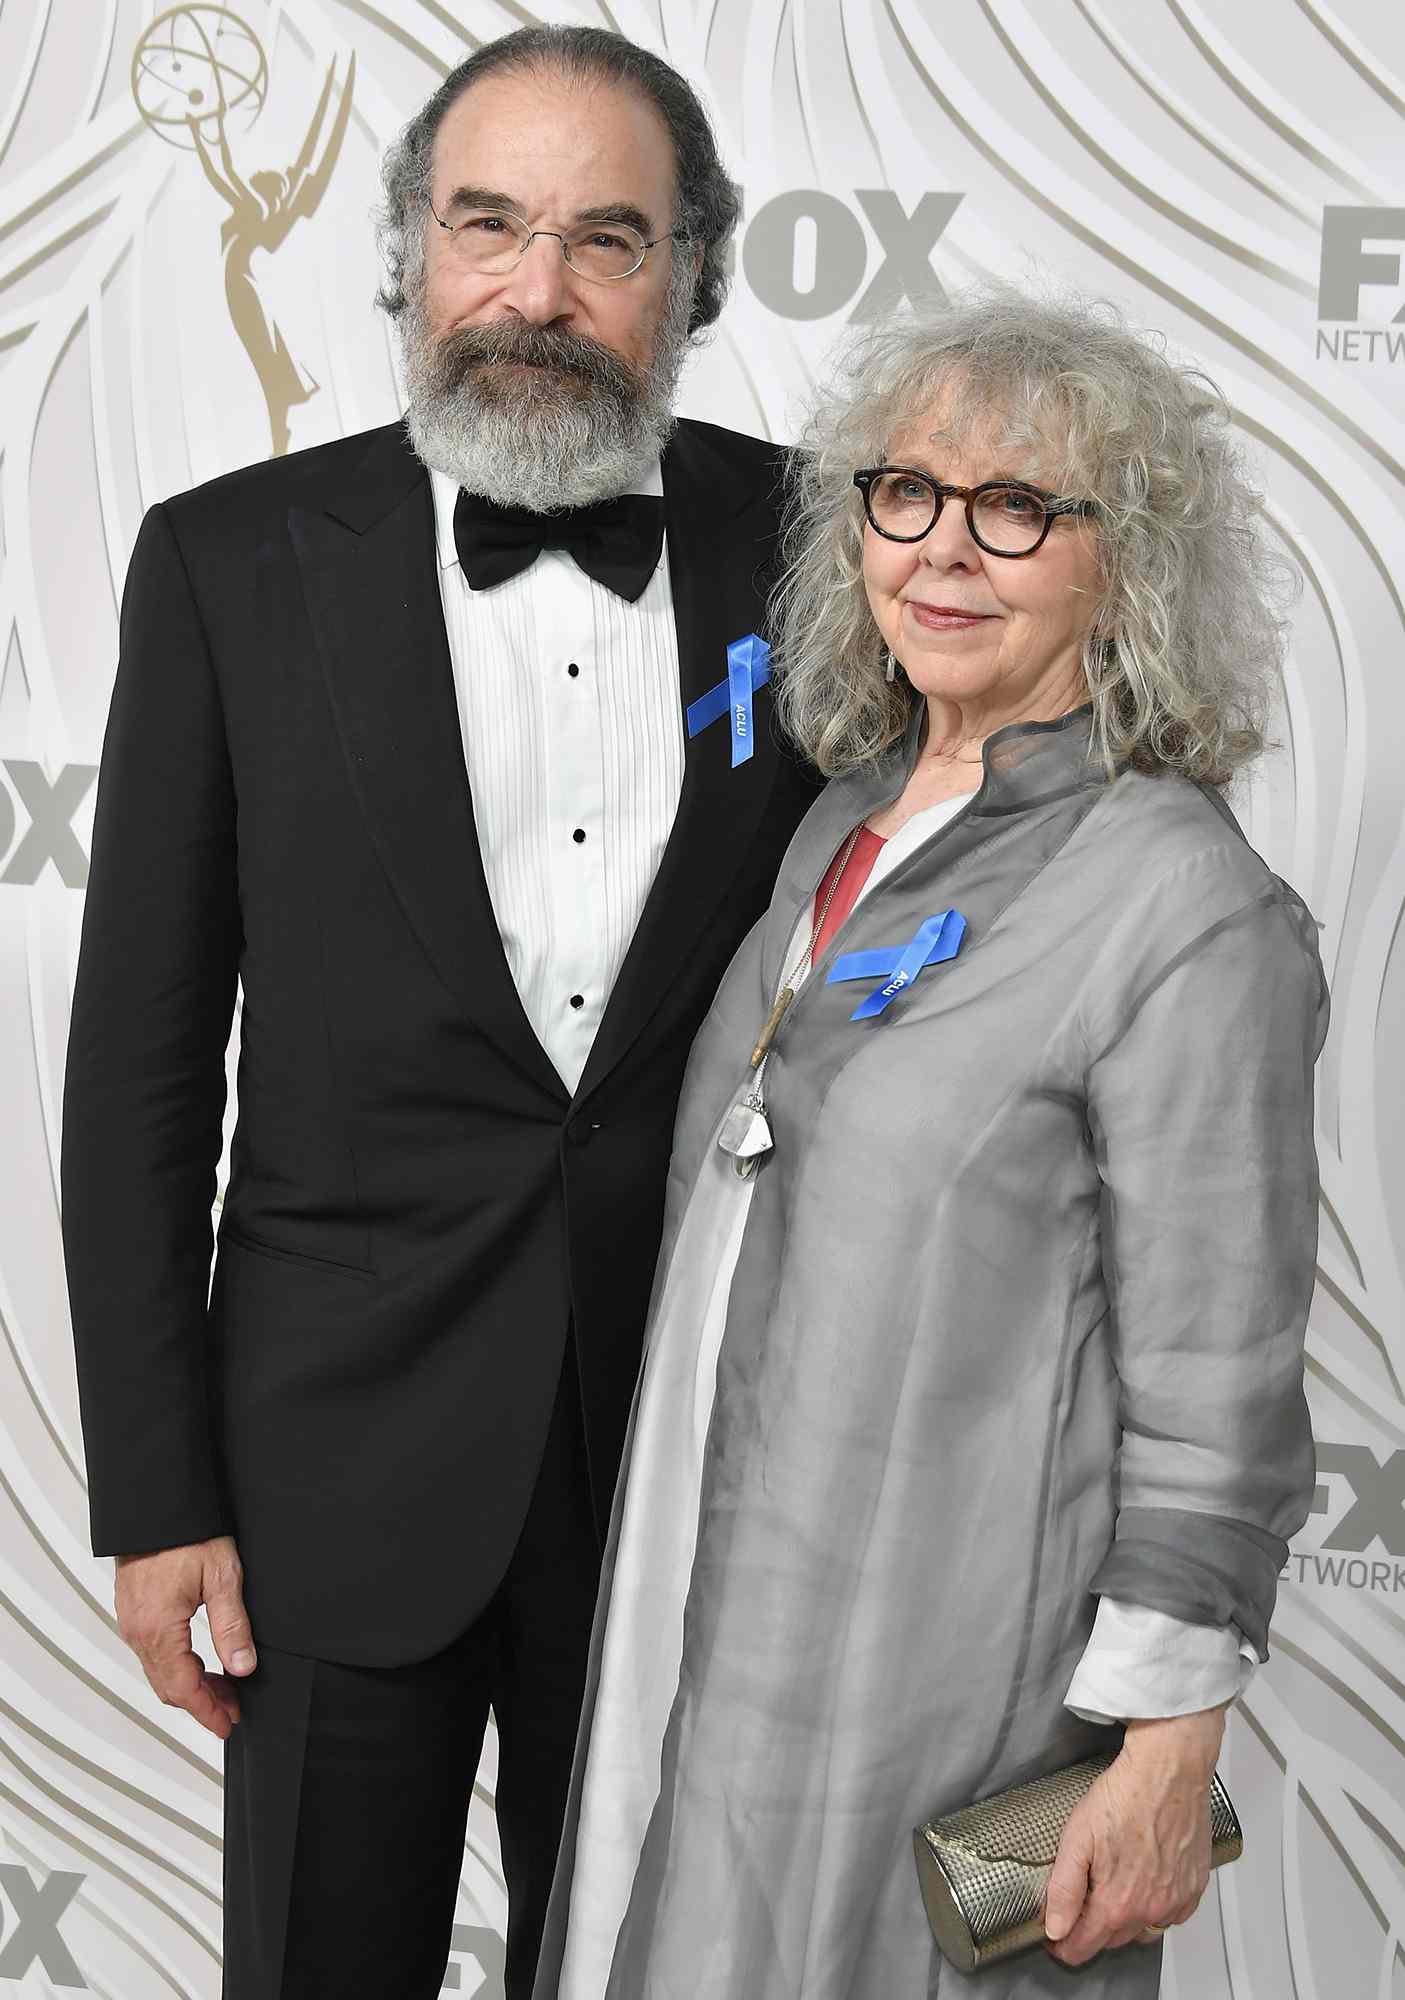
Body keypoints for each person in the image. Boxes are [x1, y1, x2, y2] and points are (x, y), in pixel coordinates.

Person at [60, 27, 815, 2000]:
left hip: (691, 1469)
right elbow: (140, 1066)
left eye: (604, 238)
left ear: (696, 280)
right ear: (407, 253)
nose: (536, 293)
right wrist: (156, 1495)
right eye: (486, 225)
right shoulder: (227, 566)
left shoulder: (832, 551)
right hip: (327, 1474)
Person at [533, 290, 1327, 1999]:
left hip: (946, 1668)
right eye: (907, 494)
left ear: (1129, 564)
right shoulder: (837, 816)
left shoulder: (1176, 896)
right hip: (701, 1597)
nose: (944, 552)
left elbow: (1221, 1370)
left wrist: (1166, 1748)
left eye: (1018, 509)